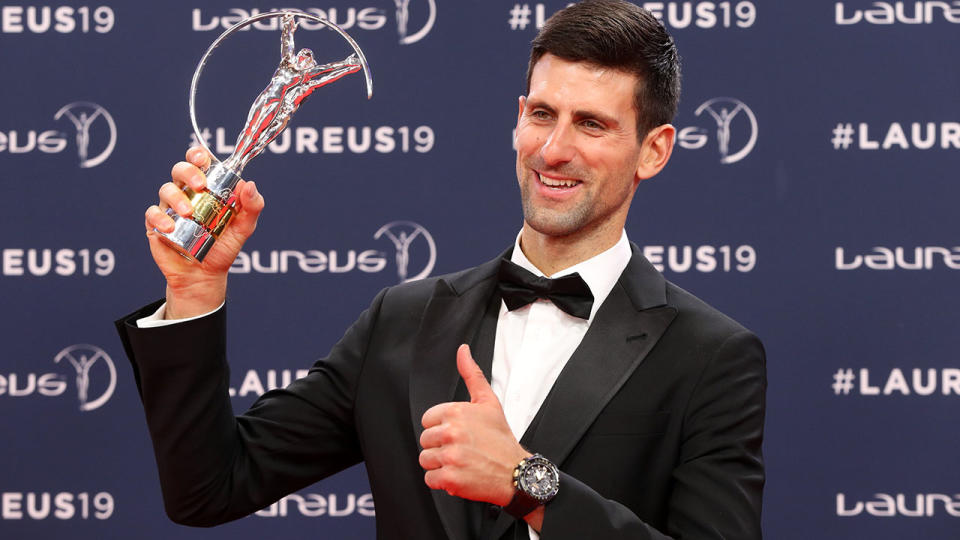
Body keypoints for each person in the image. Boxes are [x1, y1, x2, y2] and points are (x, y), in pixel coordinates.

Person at [117, 1, 766, 539]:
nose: (554, 148)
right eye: (542, 114)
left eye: (591, 124)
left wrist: (530, 486)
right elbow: (208, 488)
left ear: (653, 150)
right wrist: (194, 290)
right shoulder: (403, 318)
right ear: (519, 118)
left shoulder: (710, 356)